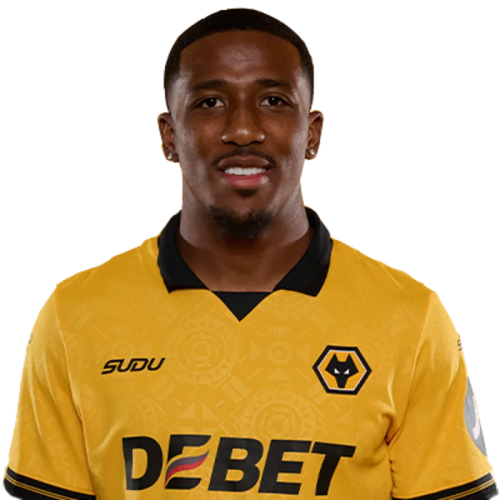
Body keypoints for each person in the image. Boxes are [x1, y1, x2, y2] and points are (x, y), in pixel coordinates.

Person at [2, 7, 498, 500]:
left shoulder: (410, 318)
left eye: (274, 101)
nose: (242, 130)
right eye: (210, 102)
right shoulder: (75, 315)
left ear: (313, 134)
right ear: (168, 135)